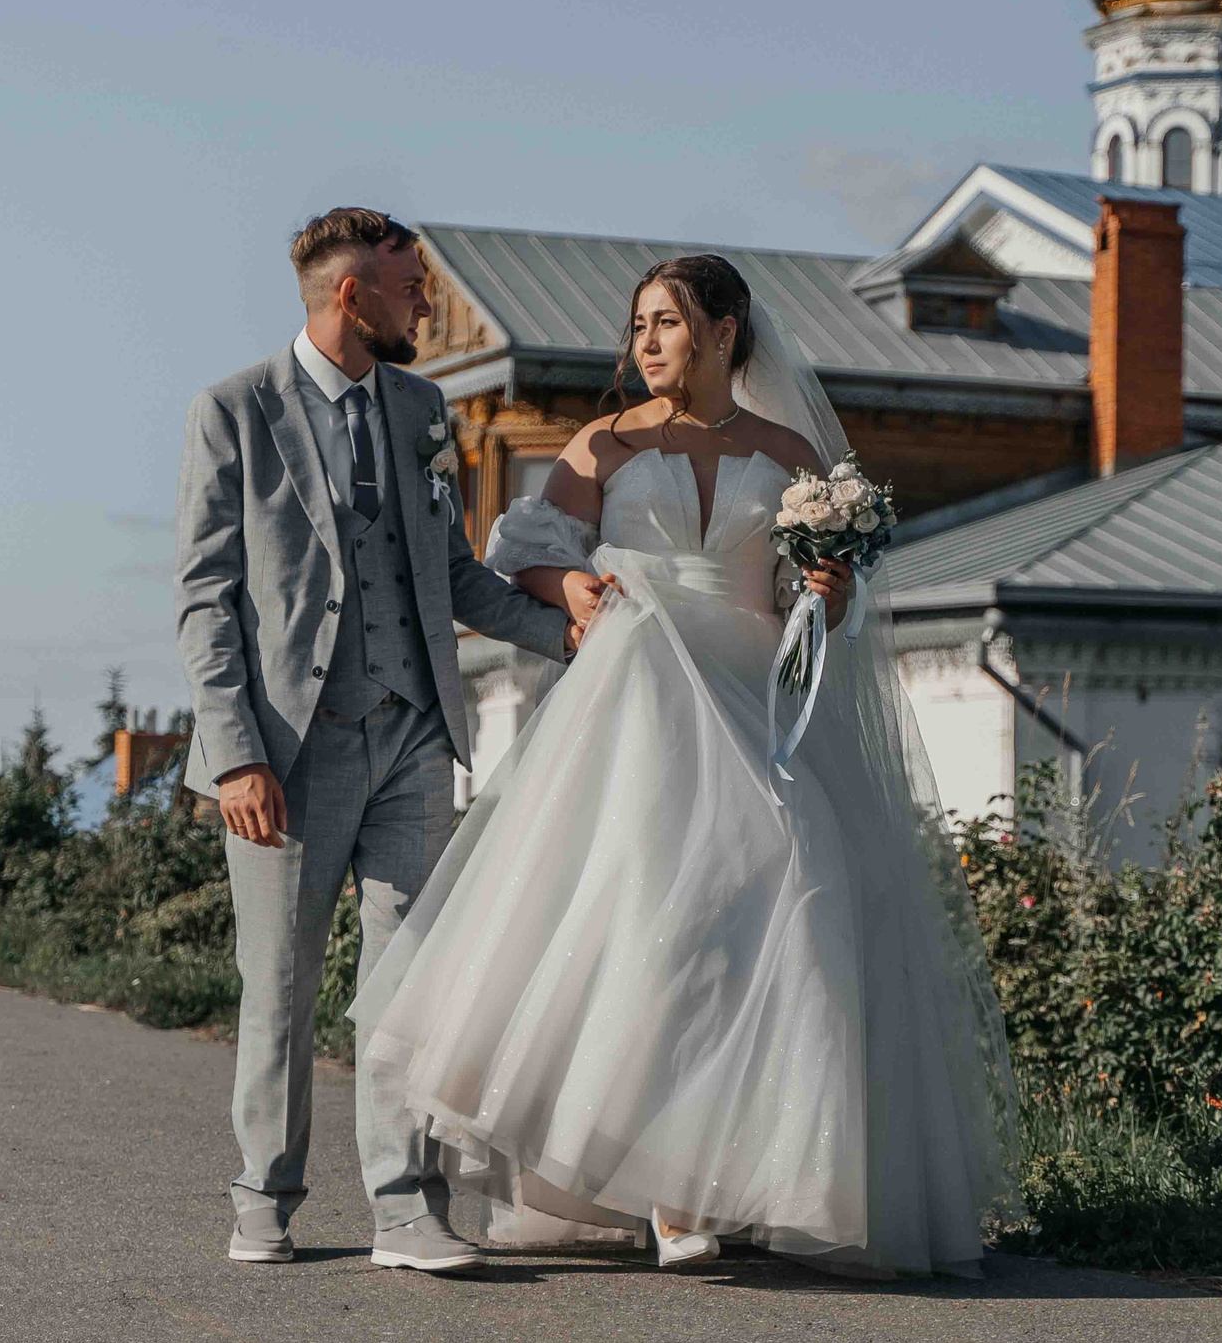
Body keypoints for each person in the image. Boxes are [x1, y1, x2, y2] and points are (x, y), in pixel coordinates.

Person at [352, 253, 1017, 1277]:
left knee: (792, 876)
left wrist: (828, 594)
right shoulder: (606, 443)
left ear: (724, 330)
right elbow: (521, 553)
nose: (647, 342)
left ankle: (761, 1173)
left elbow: (805, 604)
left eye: (666, 321)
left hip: (752, 694)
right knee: (644, 913)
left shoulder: (792, 453)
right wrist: (572, 584)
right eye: (639, 325)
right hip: (640, 693)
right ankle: (665, 1189)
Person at [174, 207, 578, 1275]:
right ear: (352, 295)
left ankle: (407, 1210)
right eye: (410, 288)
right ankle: (264, 1196)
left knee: (408, 984)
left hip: (413, 735)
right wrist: (234, 755)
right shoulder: (235, 410)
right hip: (286, 750)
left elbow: (455, 575)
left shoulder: (420, 406)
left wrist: (573, 631)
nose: (426, 308)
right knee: (282, 985)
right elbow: (205, 599)